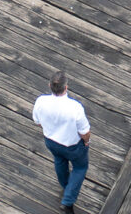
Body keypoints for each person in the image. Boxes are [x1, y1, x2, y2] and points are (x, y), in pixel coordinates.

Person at [33, 70, 91, 214]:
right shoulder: (75, 107)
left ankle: (66, 186)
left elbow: (38, 121)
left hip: (51, 141)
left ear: (49, 85)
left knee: (59, 161)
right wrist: (86, 142)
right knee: (80, 168)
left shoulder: (41, 101)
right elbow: (84, 132)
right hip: (72, 145)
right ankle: (68, 201)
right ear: (66, 87)